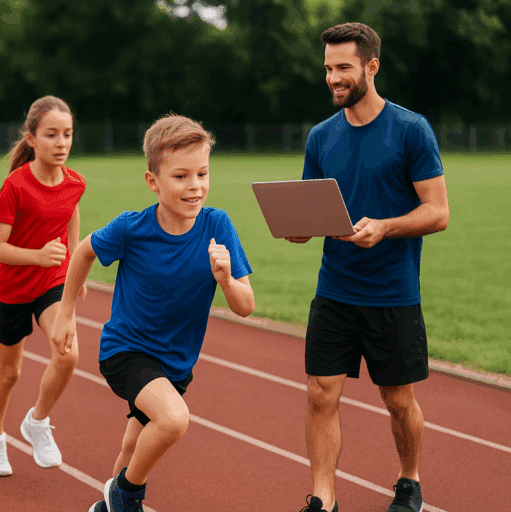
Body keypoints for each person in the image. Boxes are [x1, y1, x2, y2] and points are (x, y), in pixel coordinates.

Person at [52, 114, 255, 512]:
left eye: (202, 174)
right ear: (153, 182)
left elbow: (246, 306)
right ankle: (127, 496)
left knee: (133, 445)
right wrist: (65, 312)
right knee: (174, 420)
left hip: (175, 363)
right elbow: (83, 251)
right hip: (126, 351)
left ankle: (108, 505)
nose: (195, 186)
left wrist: (227, 279)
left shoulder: (217, 225)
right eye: (181, 177)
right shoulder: (132, 228)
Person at [287, 23, 449, 512]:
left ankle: (409, 480)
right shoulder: (321, 136)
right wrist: (296, 226)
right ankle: (323, 497)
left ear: (371, 67)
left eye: (343, 68)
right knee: (320, 395)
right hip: (334, 289)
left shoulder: (410, 129)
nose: (333, 78)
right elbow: (308, 214)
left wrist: (385, 226)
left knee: (398, 401)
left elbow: (437, 212)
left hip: (392, 293)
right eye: (328, 69)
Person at [0, 96, 86, 477]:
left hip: (51, 284)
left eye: (67, 134)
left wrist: (72, 267)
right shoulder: (16, 185)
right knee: (9, 374)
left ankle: (37, 421)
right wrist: (37, 255)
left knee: (68, 353)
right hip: (12, 288)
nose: (61, 143)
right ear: (31, 138)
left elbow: (71, 215)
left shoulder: (75, 182)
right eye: (51, 135)